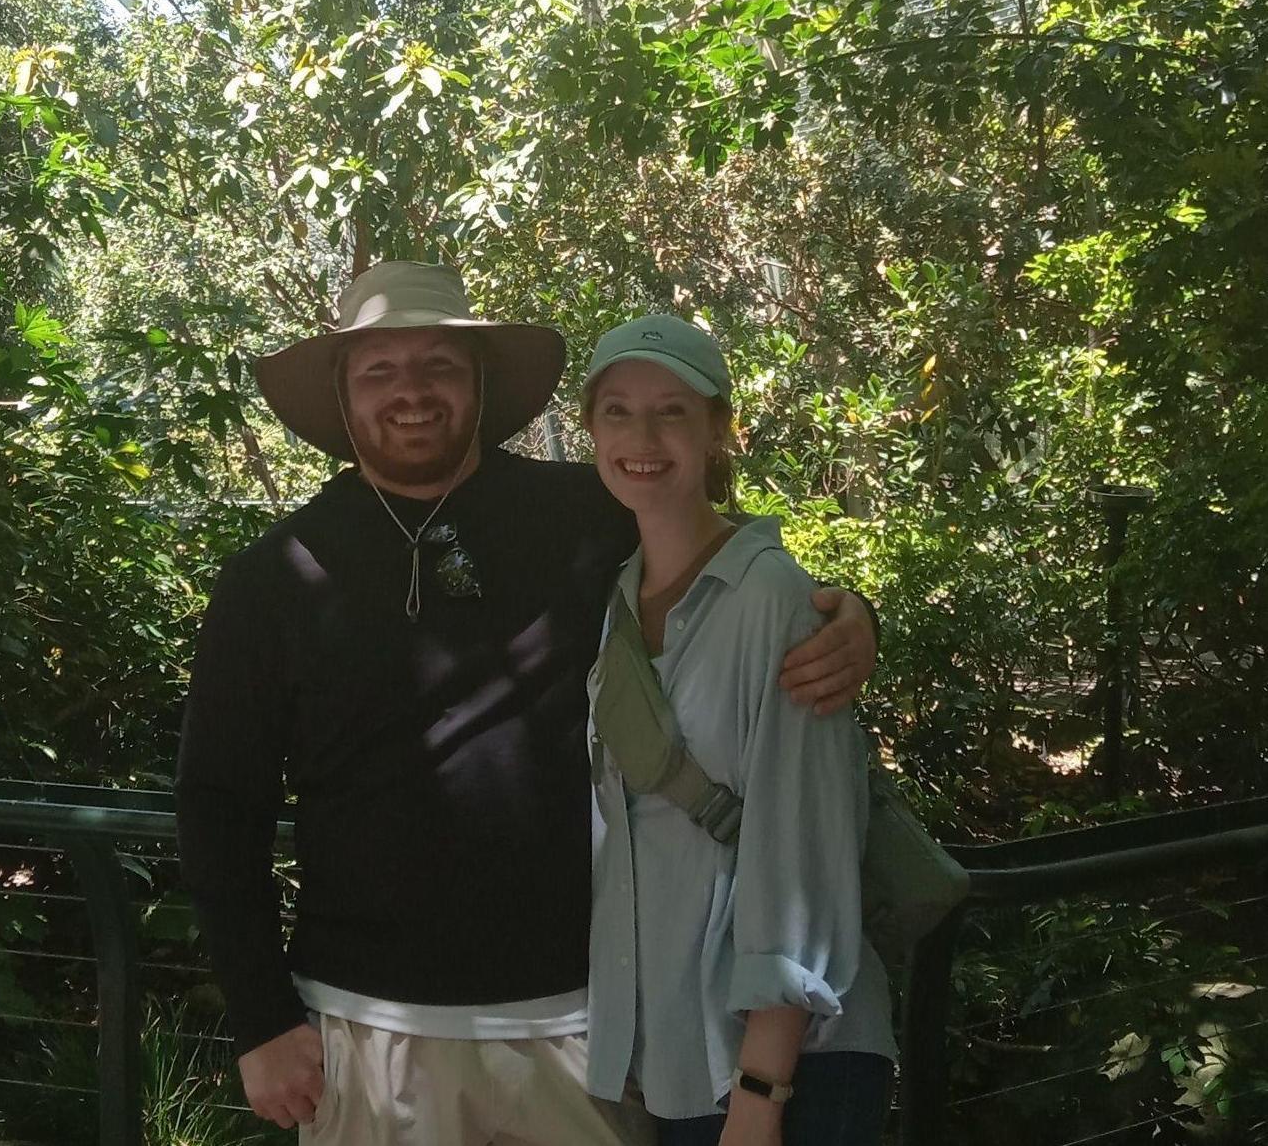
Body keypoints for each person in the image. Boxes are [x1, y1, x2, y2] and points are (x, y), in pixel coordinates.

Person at [174, 262, 880, 1146]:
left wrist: (852, 615)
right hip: (369, 1028)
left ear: (479, 381)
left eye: (438, 364)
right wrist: (260, 1018)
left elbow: (733, 574)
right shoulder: (274, 578)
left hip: (591, 1022)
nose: (411, 391)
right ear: (343, 395)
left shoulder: (588, 513)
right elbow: (217, 803)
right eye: (379, 370)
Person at [581, 314, 897, 1146]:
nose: (641, 438)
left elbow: (802, 850)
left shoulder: (774, 601)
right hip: (680, 1054)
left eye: (671, 412)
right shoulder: (616, 601)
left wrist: (761, 1090)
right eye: (617, 411)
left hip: (782, 1067)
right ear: (590, 431)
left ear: (718, 428)